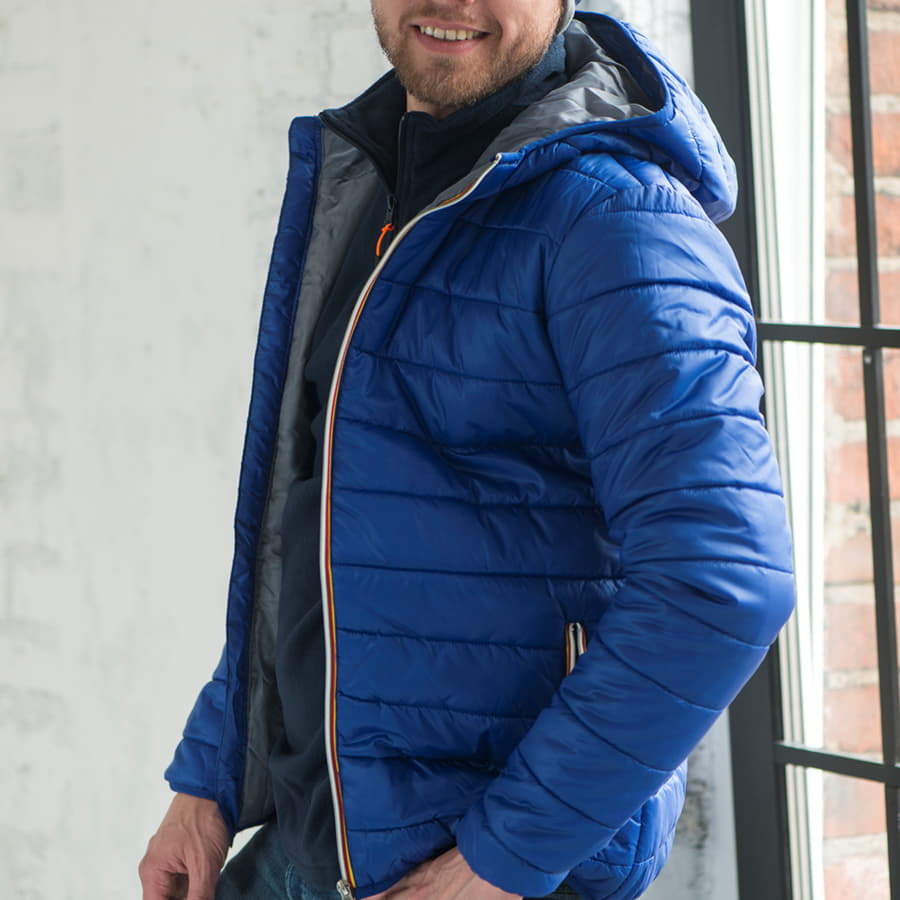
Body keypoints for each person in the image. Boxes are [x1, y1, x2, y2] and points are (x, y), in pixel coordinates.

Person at [139, 1, 795, 899]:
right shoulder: (375, 180)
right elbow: (312, 518)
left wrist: (499, 862)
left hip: (473, 866)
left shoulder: (618, 221)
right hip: (308, 845)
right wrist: (211, 778)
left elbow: (721, 579)